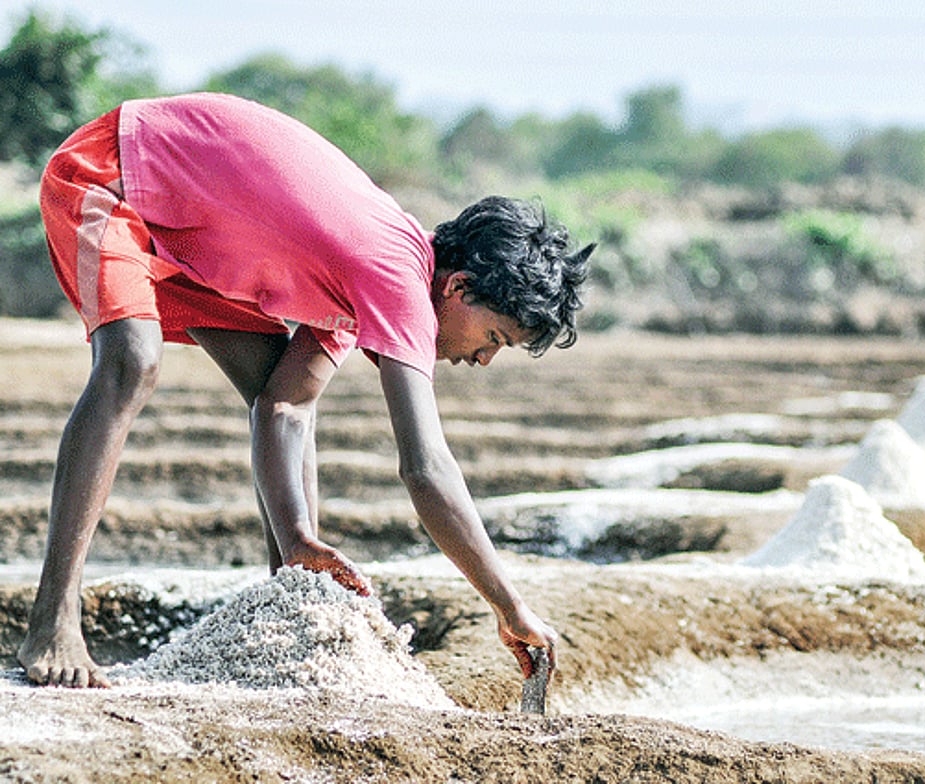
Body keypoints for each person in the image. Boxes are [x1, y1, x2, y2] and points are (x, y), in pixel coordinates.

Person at [19, 92, 593, 689]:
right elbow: (425, 468)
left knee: (279, 385)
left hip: (186, 235)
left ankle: (292, 600)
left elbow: (284, 407)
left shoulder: (373, 275)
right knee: (131, 362)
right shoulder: (396, 275)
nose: (483, 359)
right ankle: (52, 620)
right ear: (458, 288)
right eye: (494, 336)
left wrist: (298, 540)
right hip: (111, 176)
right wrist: (508, 606)